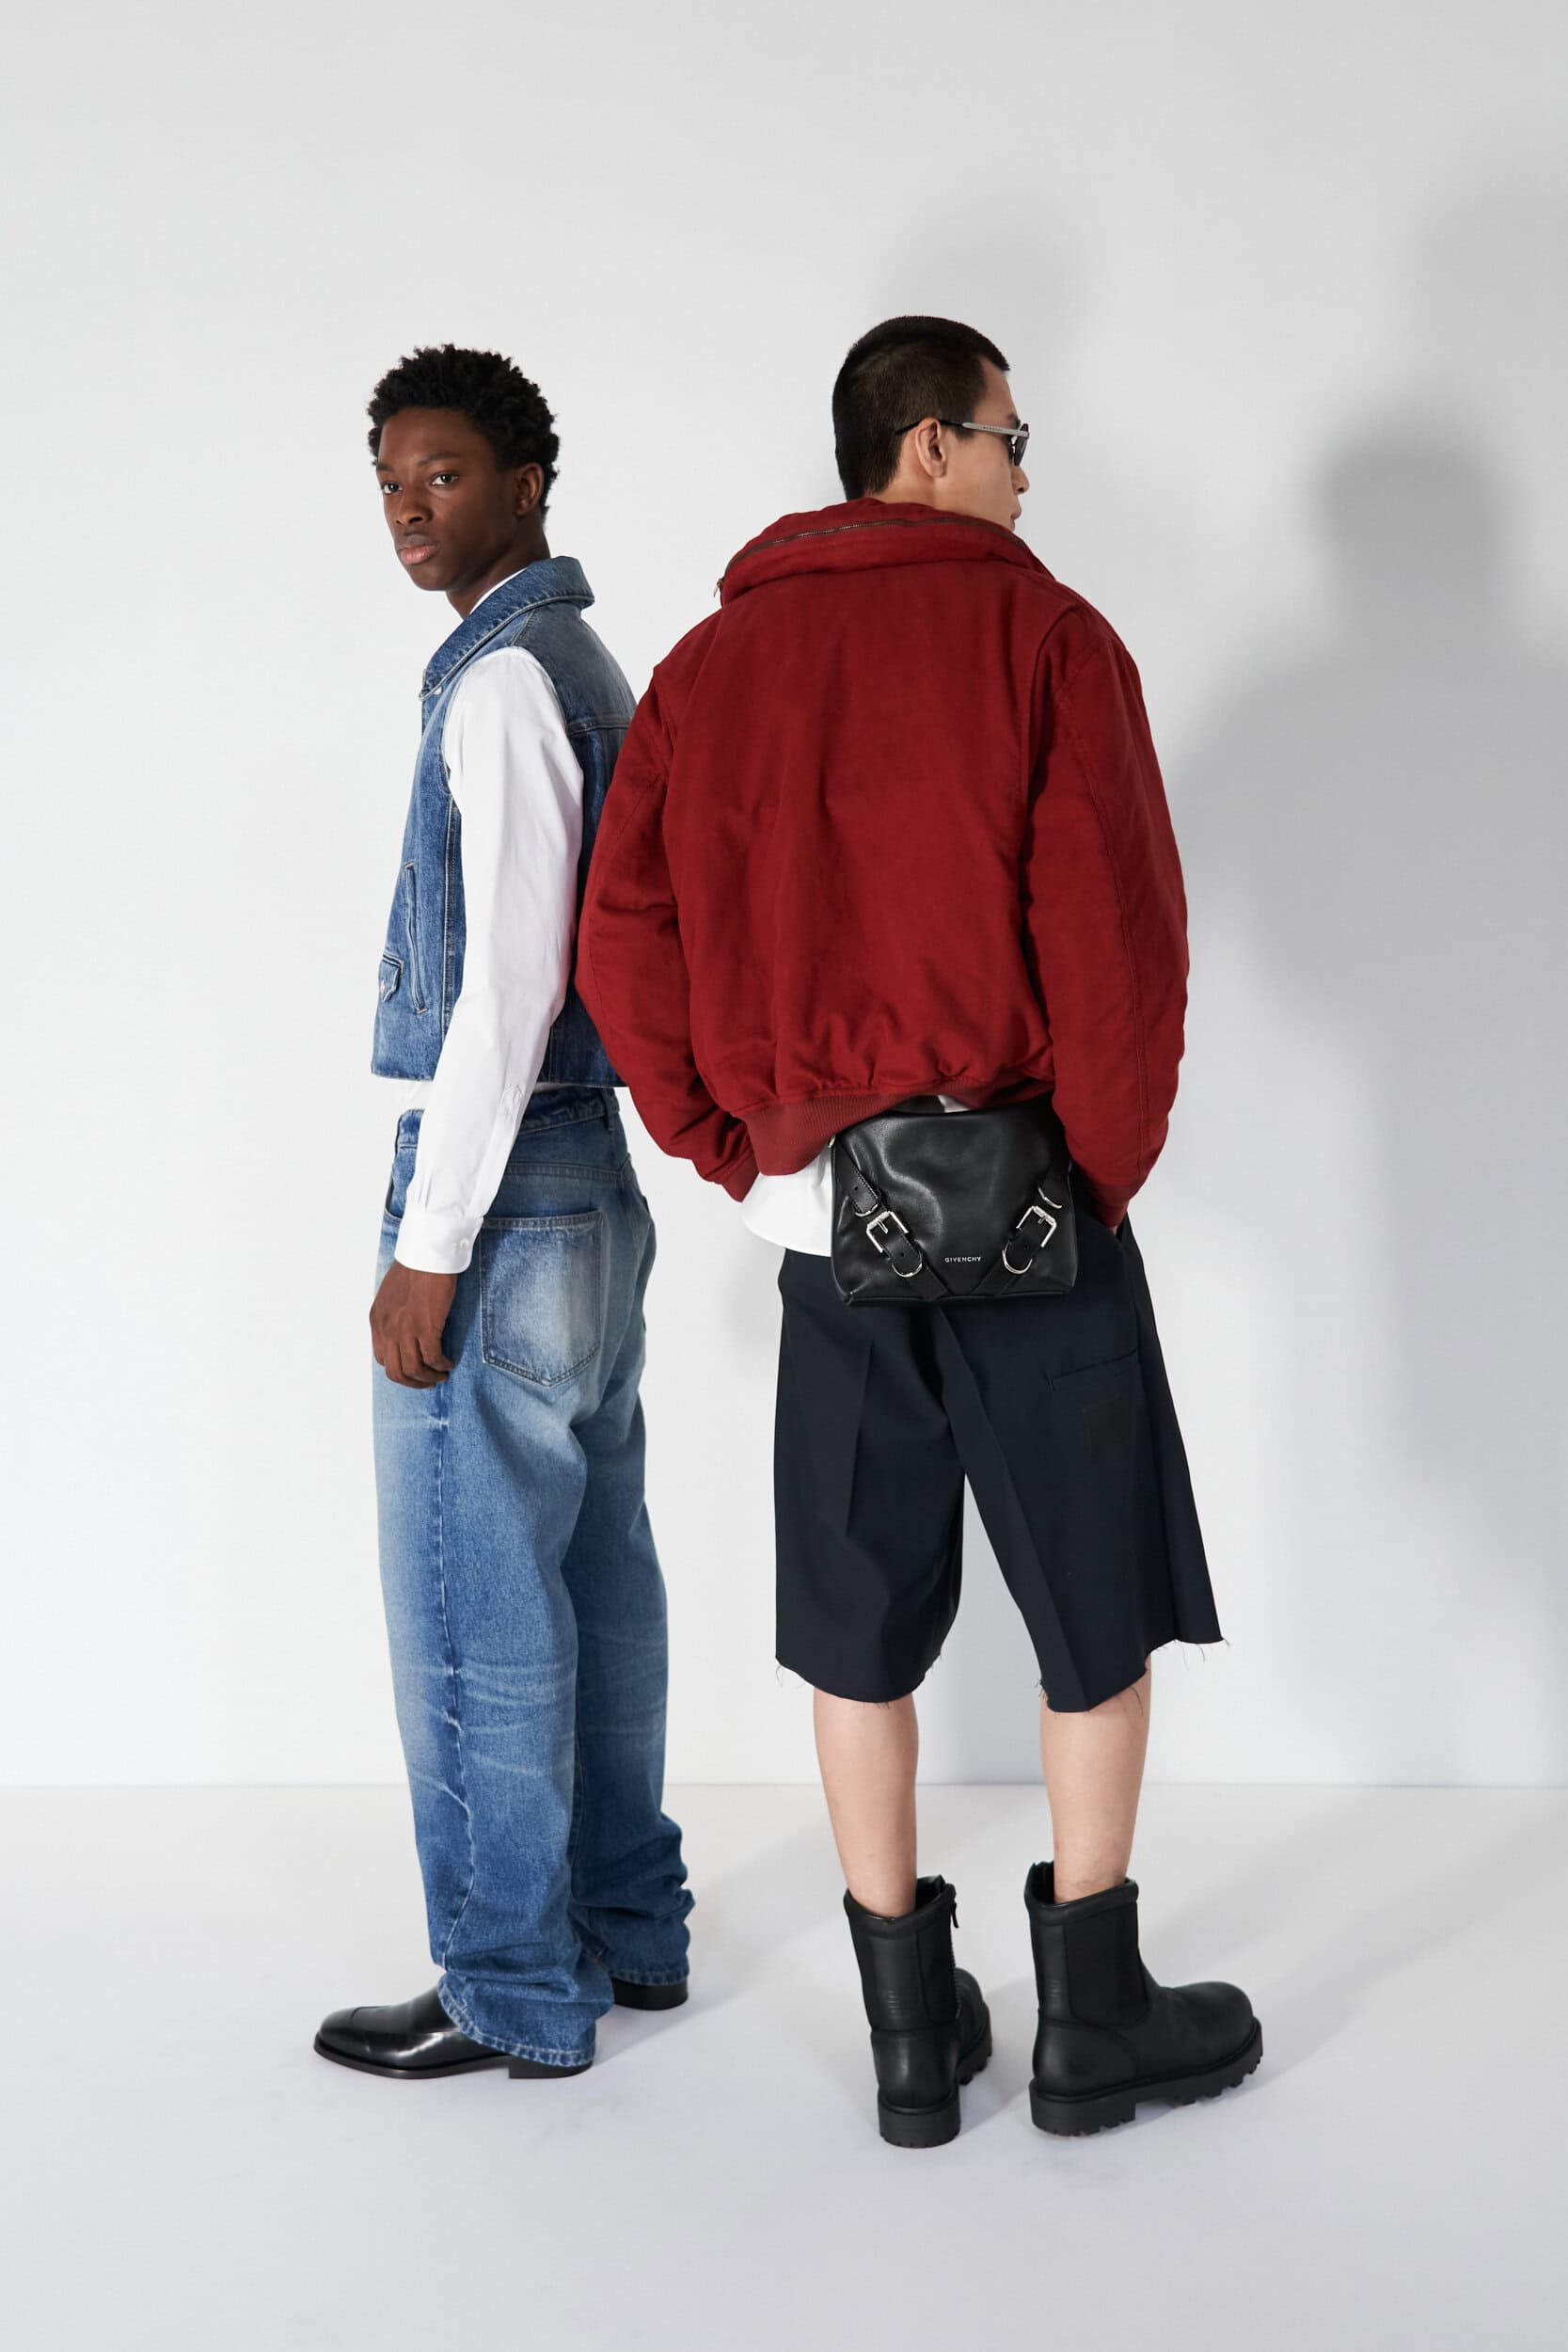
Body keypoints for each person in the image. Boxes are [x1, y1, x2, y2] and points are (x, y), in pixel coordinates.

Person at [578, 315, 1259, 2147]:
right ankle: (1093, 2024)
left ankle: (906, 2039)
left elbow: (623, 938)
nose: (1029, 474)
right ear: (932, 444)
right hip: (1036, 1210)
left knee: (855, 1619)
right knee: (1093, 1606)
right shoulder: (1050, 640)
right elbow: (1117, 934)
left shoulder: (714, 666)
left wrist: (740, 1147)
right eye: (1014, 438)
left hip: (829, 1227)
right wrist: (1096, 1170)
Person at [314, 344, 690, 2084]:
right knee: (596, 1573)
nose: (411, 509)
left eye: (445, 476)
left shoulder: (504, 683)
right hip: (588, 1187)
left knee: (477, 1604)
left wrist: (431, 1243)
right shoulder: (580, 664)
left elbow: (513, 986)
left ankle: (513, 1988)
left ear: (530, 483)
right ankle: (627, 1927)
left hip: (511, 1188)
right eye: (391, 483)